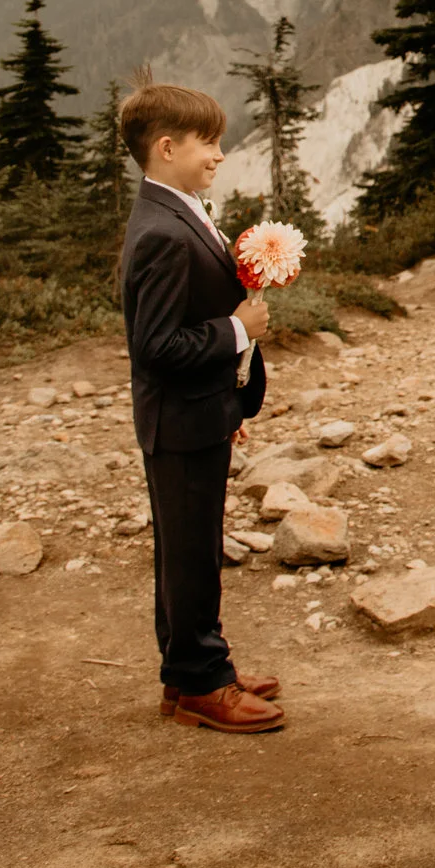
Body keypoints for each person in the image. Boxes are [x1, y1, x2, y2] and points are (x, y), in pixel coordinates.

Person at [117, 77, 283, 732]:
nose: (217, 153)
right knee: (188, 551)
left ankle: (190, 668)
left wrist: (228, 400)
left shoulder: (176, 208)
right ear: (164, 147)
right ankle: (199, 683)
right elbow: (155, 346)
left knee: (190, 546)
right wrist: (241, 330)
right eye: (205, 142)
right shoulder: (162, 231)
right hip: (179, 421)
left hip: (197, 412)